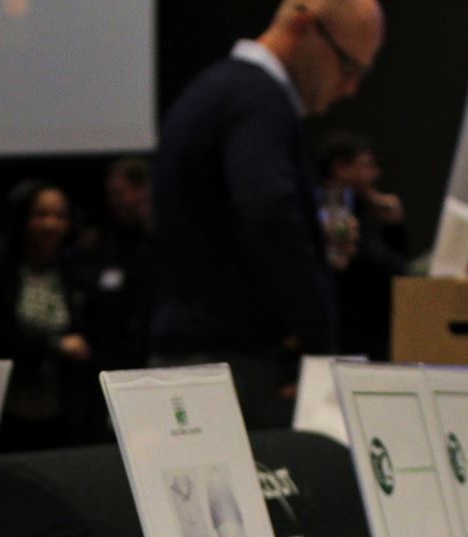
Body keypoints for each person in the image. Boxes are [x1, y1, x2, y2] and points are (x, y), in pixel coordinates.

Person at [150, 0, 386, 431]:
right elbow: (268, 212)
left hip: (196, 362)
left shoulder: (215, 90)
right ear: (304, 25)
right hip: (234, 371)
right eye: (349, 67)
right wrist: (318, 342)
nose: (350, 88)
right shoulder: (259, 99)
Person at [0, 180, 96, 453]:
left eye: (59, 216)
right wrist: (53, 345)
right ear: (23, 218)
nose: (51, 224)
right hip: (5, 405)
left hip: (60, 407)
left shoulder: (76, 268)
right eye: (41, 215)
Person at [320, 131, 408, 357]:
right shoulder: (332, 213)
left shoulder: (365, 210)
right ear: (340, 168)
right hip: (347, 335)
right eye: (366, 165)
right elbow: (385, 266)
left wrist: (394, 226)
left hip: (369, 331)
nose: (375, 174)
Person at [82, 156, 155, 375]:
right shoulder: (108, 241)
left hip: (149, 352)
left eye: (118, 192)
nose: (112, 201)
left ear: (142, 191)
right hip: (112, 355)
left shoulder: (157, 242)